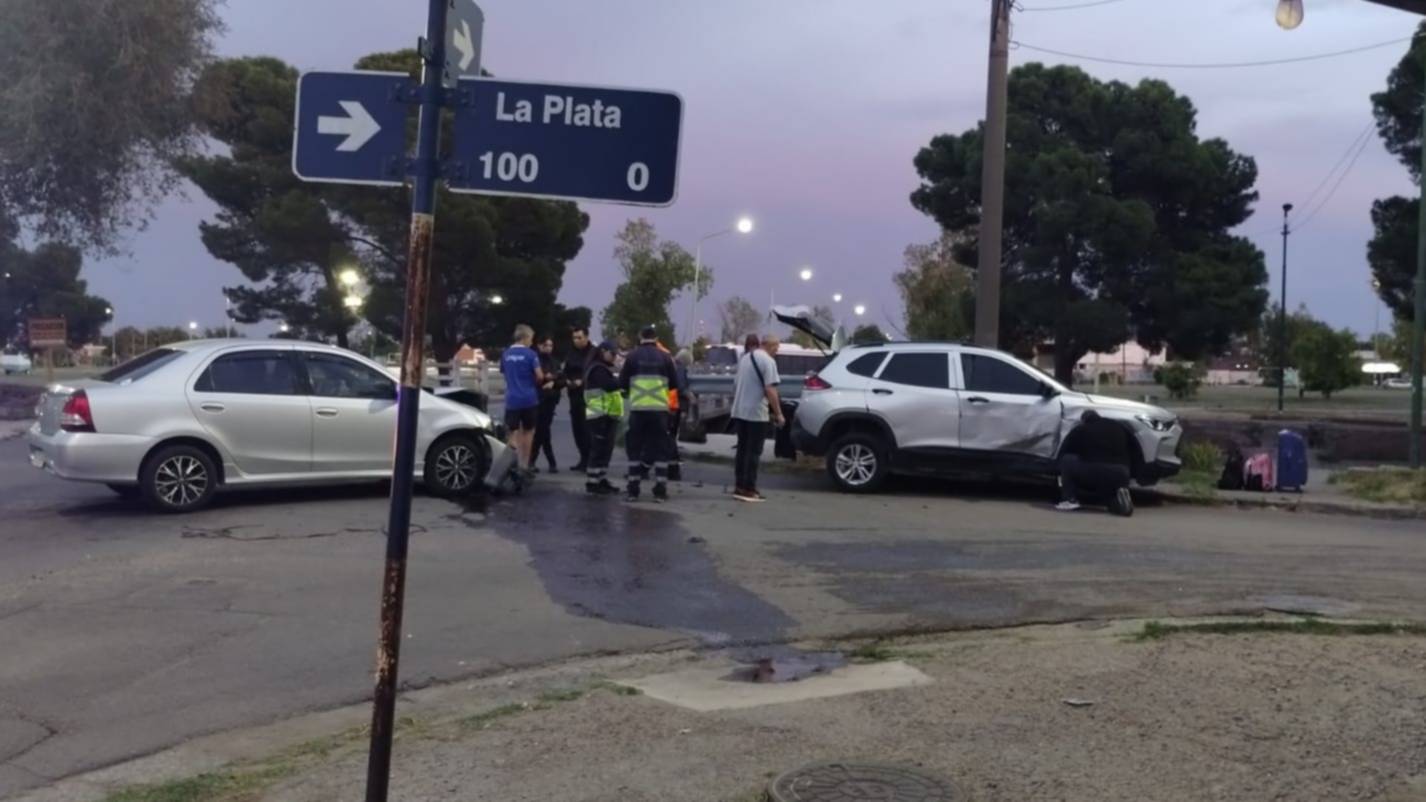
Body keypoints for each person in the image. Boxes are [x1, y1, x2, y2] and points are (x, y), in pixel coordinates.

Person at [618, 325, 680, 502]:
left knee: (635, 449)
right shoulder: (665, 357)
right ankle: (660, 490)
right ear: (656, 337)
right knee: (660, 449)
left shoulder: (632, 357)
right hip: (659, 411)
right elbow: (674, 384)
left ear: (640, 336)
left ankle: (633, 491)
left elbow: (622, 383)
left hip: (638, 411)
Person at [730, 334, 783, 502]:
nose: (777, 350)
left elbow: (736, 383)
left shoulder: (745, 359)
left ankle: (739, 486)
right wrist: (779, 413)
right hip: (756, 414)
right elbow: (770, 390)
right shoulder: (768, 361)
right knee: (754, 452)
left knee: (742, 450)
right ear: (769, 345)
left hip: (739, 411)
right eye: (776, 346)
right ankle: (749, 489)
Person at [1056, 409, 1134, 516]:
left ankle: (1069, 500)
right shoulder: (1118, 427)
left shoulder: (1081, 429)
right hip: (1121, 472)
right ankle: (1120, 500)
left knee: (1067, 460)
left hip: (1095, 471)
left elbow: (1065, 451)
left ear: (1084, 420)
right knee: (1110, 496)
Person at [500, 324, 544, 475]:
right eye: (531, 338)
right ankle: (524, 464)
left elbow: (504, 373)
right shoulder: (531, 355)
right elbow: (540, 376)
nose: (532, 342)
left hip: (512, 399)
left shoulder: (505, 354)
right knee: (528, 432)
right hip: (529, 398)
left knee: (512, 433)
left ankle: (511, 465)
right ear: (525, 338)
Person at [582, 340, 623, 495]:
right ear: (603, 351)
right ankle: (593, 482)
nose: (614, 357)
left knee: (605, 449)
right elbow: (609, 386)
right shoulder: (598, 369)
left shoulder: (601, 368)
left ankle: (601, 478)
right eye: (612, 354)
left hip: (605, 415)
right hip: (599, 415)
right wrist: (621, 381)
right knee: (599, 449)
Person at [563, 327, 595, 472]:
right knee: (578, 429)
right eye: (574, 338)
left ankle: (592, 460)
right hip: (574, 395)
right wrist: (567, 380)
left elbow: (596, 370)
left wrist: (582, 381)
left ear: (586, 337)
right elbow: (566, 370)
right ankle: (583, 458)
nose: (577, 340)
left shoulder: (594, 353)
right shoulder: (571, 353)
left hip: (590, 395)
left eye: (580, 337)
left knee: (589, 429)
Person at [529, 336, 561, 473]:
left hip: (551, 400)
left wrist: (554, 381)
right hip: (537, 399)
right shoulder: (535, 360)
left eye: (551, 345)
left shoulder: (554, 361)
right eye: (546, 345)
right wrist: (543, 378)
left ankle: (533, 461)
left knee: (543, 431)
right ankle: (549, 461)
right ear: (539, 345)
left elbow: (561, 378)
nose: (548, 348)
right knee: (542, 431)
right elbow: (533, 378)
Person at [668, 348, 694, 481]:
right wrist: (690, 396)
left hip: (667, 405)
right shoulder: (680, 368)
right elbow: (680, 386)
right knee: (671, 437)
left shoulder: (671, 364)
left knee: (667, 436)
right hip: (674, 406)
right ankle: (672, 469)